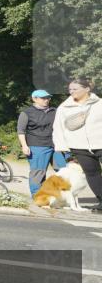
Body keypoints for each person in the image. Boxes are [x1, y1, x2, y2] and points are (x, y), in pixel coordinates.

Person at [52, 77, 102, 208]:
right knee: (92, 173)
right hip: (78, 146)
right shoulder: (64, 107)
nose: (71, 91)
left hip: (100, 143)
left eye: (75, 89)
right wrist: (61, 146)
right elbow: (58, 128)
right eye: (70, 89)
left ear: (87, 89)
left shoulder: (99, 103)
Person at [18, 89, 66, 196]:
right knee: (38, 172)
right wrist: (24, 146)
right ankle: (37, 196)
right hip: (37, 145)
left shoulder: (55, 111)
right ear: (34, 99)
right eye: (43, 98)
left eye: (48, 98)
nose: (47, 100)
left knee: (64, 170)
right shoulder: (26, 113)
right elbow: (21, 131)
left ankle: (62, 195)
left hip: (56, 145)